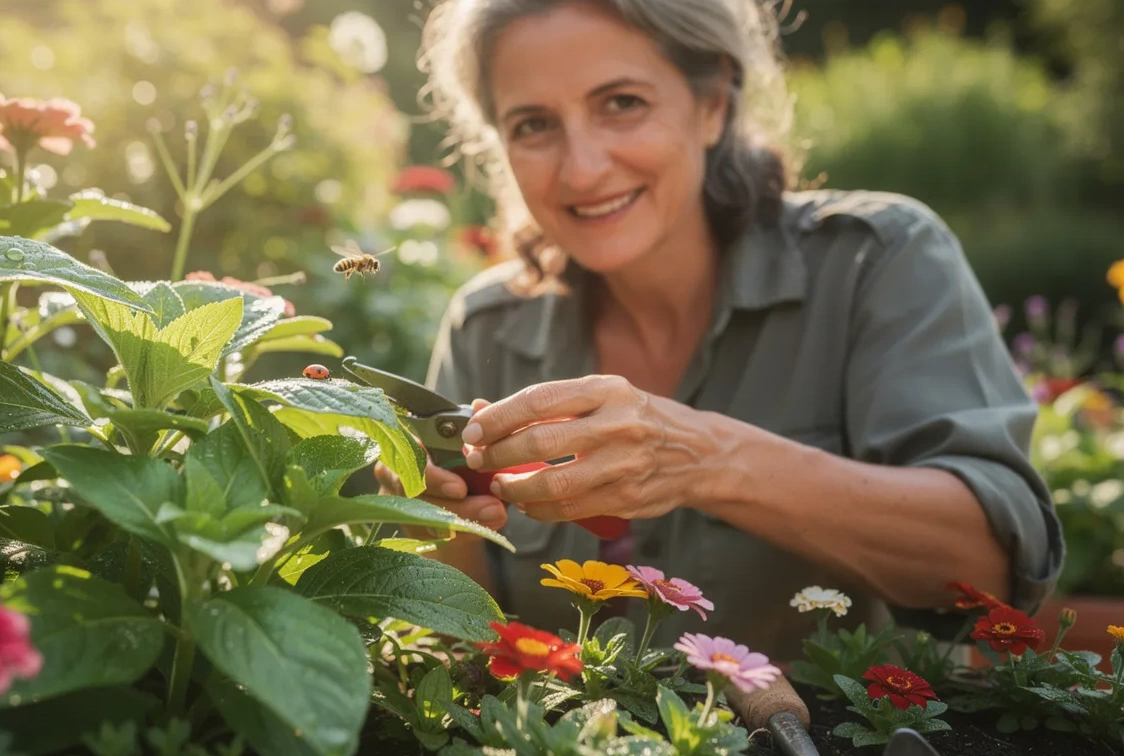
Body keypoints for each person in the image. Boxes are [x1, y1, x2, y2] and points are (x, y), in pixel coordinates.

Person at [374, 0, 1064, 661]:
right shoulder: (486, 326)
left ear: (712, 104)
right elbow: (461, 640)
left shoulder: (875, 262)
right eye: (533, 125)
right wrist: (424, 512)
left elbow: (999, 570)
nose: (581, 168)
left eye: (622, 103)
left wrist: (705, 458)